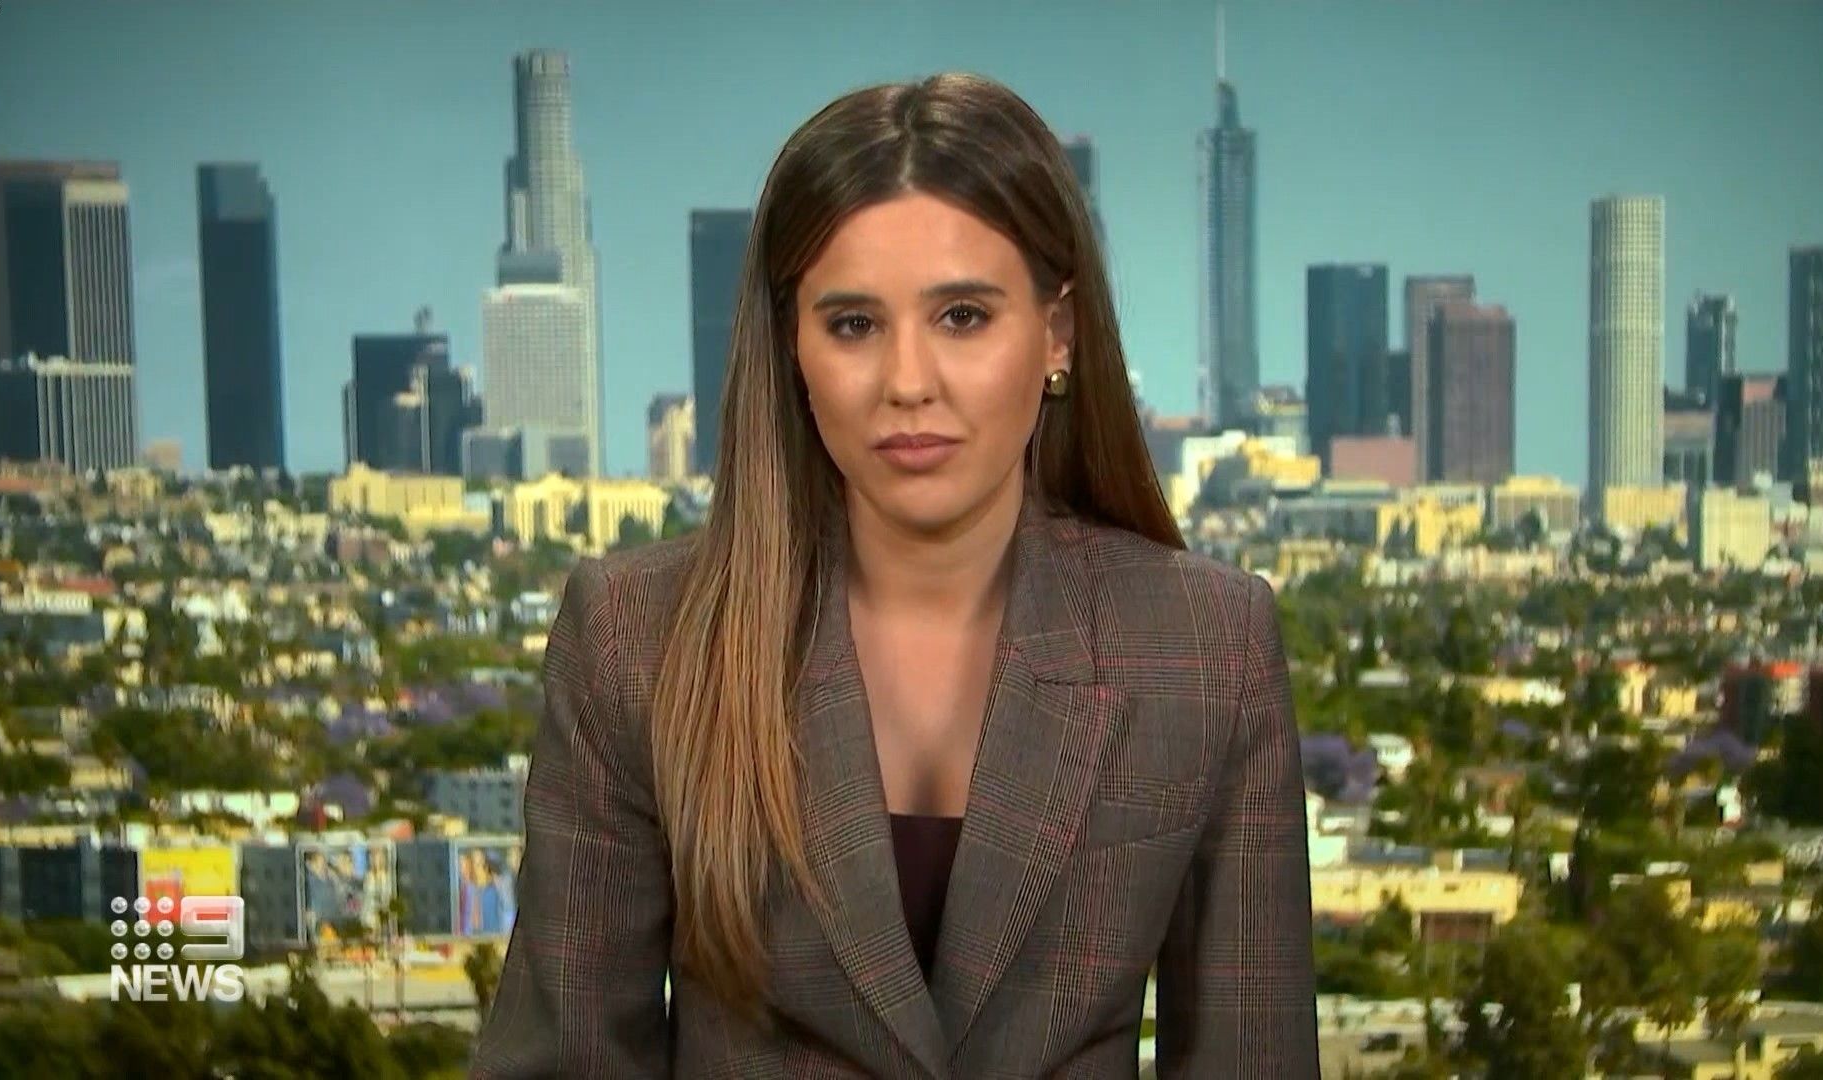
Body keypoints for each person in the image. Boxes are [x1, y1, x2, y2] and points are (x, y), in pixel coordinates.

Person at [472, 71, 1318, 1078]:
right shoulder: (635, 641)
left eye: (962, 316)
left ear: (1057, 334)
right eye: (854, 325)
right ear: (792, 348)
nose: (908, 383)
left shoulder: (1206, 648)